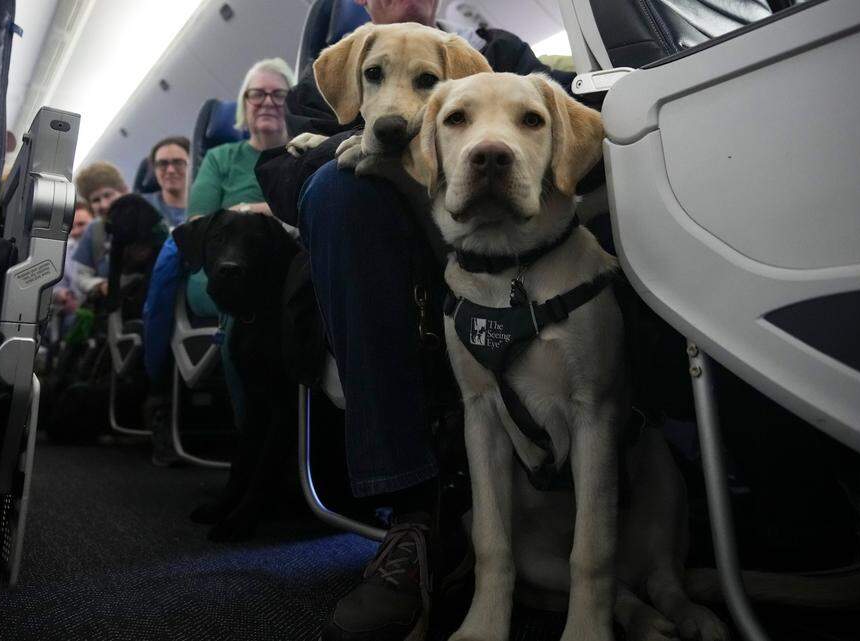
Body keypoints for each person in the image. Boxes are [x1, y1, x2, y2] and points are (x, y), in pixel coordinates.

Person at [254, 3, 582, 640]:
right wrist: (358, 148)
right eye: (376, 78)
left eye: (427, 81)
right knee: (337, 188)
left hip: (502, 256)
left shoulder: (502, 55)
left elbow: (568, 132)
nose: (394, 105)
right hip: (387, 265)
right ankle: (413, 517)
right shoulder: (335, 71)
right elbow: (284, 178)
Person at [141, 57, 296, 470]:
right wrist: (268, 212)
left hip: (283, 267)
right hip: (223, 267)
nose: (267, 101)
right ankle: (252, 451)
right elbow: (199, 221)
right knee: (239, 306)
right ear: (244, 104)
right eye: (257, 94)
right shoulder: (221, 158)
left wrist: (248, 209)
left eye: (278, 94)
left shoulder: (302, 153)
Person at [70, 161, 129, 300]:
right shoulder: (94, 230)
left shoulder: (144, 218)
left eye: (108, 195)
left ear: (124, 191)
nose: (104, 204)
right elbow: (81, 277)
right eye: (96, 200)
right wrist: (101, 285)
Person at [143, 136, 190, 228]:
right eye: (162, 164)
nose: (170, 170)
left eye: (178, 163)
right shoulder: (139, 207)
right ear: (154, 170)